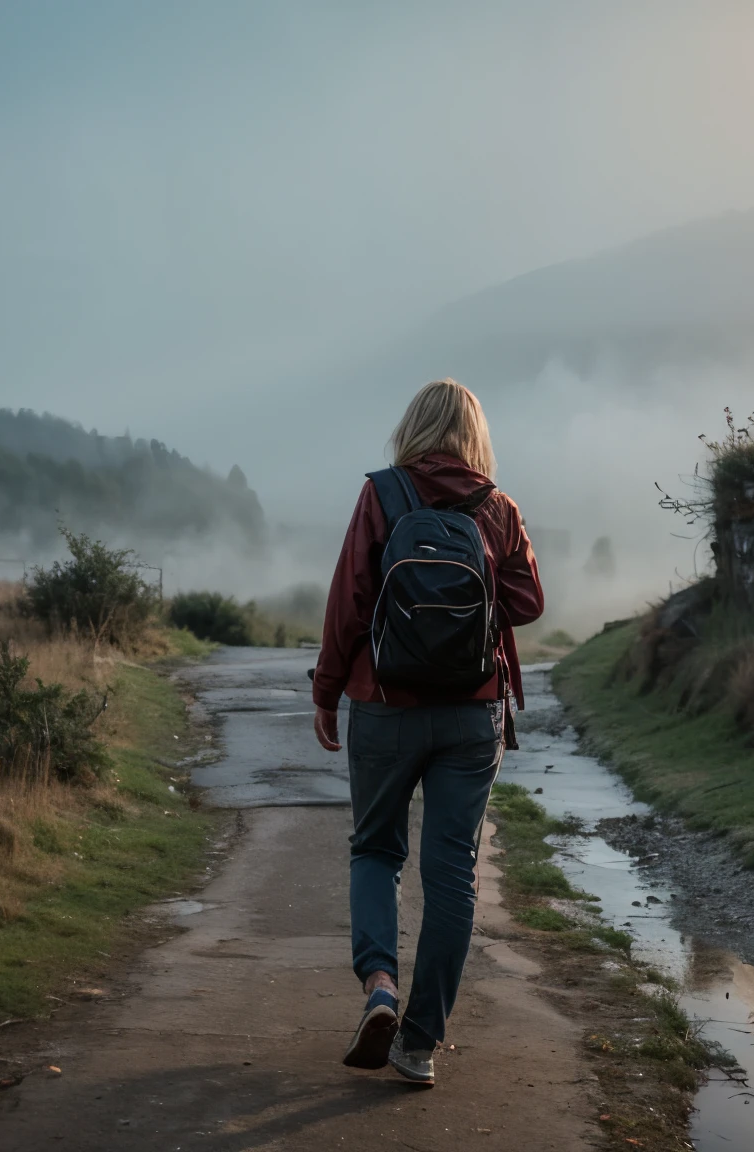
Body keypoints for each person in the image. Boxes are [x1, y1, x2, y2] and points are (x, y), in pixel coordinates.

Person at [311, 378, 544, 1085]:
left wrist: (326, 691)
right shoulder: (498, 507)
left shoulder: (382, 494)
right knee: (452, 874)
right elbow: (529, 601)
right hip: (473, 711)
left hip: (385, 701)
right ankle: (418, 1044)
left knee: (376, 848)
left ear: (413, 427)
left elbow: (350, 599)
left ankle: (379, 985)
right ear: (475, 436)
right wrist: (472, 595)